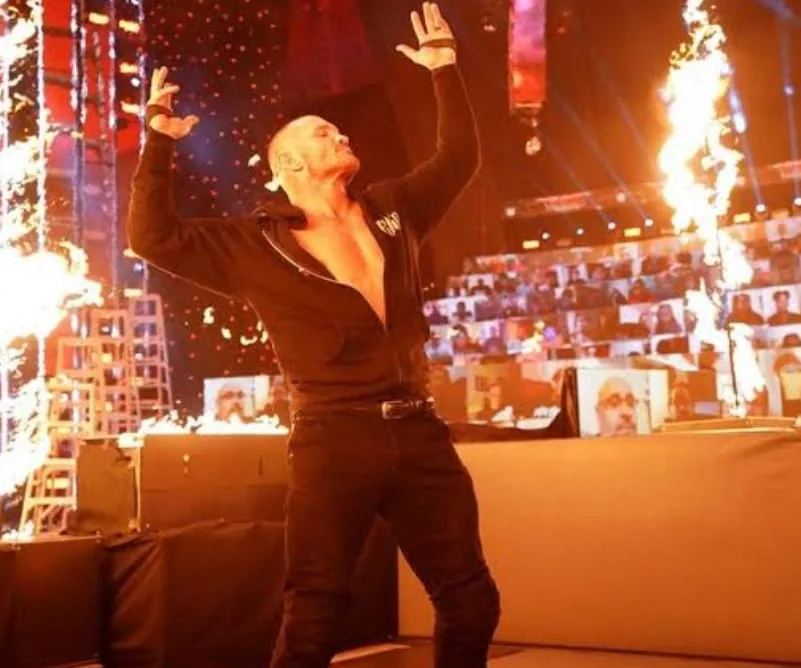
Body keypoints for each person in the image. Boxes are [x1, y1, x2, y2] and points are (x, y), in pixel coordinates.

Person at [127, 4, 500, 667]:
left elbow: (460, 157)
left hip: (417, 430)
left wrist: (444, 69)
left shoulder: (393, 208)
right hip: (333, 437)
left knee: (471, 599)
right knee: (315, 611)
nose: (340, 135)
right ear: (289, 164)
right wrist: (158, 142)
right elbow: (152, 237)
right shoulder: (254, 244)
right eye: (323, 134)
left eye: (336, 130)